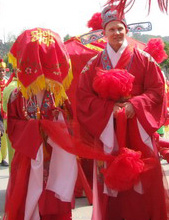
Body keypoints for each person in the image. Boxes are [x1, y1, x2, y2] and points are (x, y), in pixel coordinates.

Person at [76, 5, 169, 220]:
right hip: (107, 130)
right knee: (109, 183)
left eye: (120, 28)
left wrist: (134, 105)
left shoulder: (145, 60)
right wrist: (109, 109)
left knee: (144, 180)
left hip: (138, 130)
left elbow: (157, 91)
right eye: (111, 29)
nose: (116, 33)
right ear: (104, 33)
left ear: (126, 30)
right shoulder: (93, 65)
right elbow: (83, 98)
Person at [3, 28, 77, 220]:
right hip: (28, 157)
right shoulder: (17, 96)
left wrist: (57, 123)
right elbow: (13, 127)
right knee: (26, 198)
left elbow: (70, 124)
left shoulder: (59, 95)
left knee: (54, 197)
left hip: (55, 157)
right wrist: (35, 130)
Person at [0, 59, 8, 167]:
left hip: (5, 112)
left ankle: (3, 158)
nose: (2, 73)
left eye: (3, 71)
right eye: (0, 71)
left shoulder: (7, 82)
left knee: (4, 137)